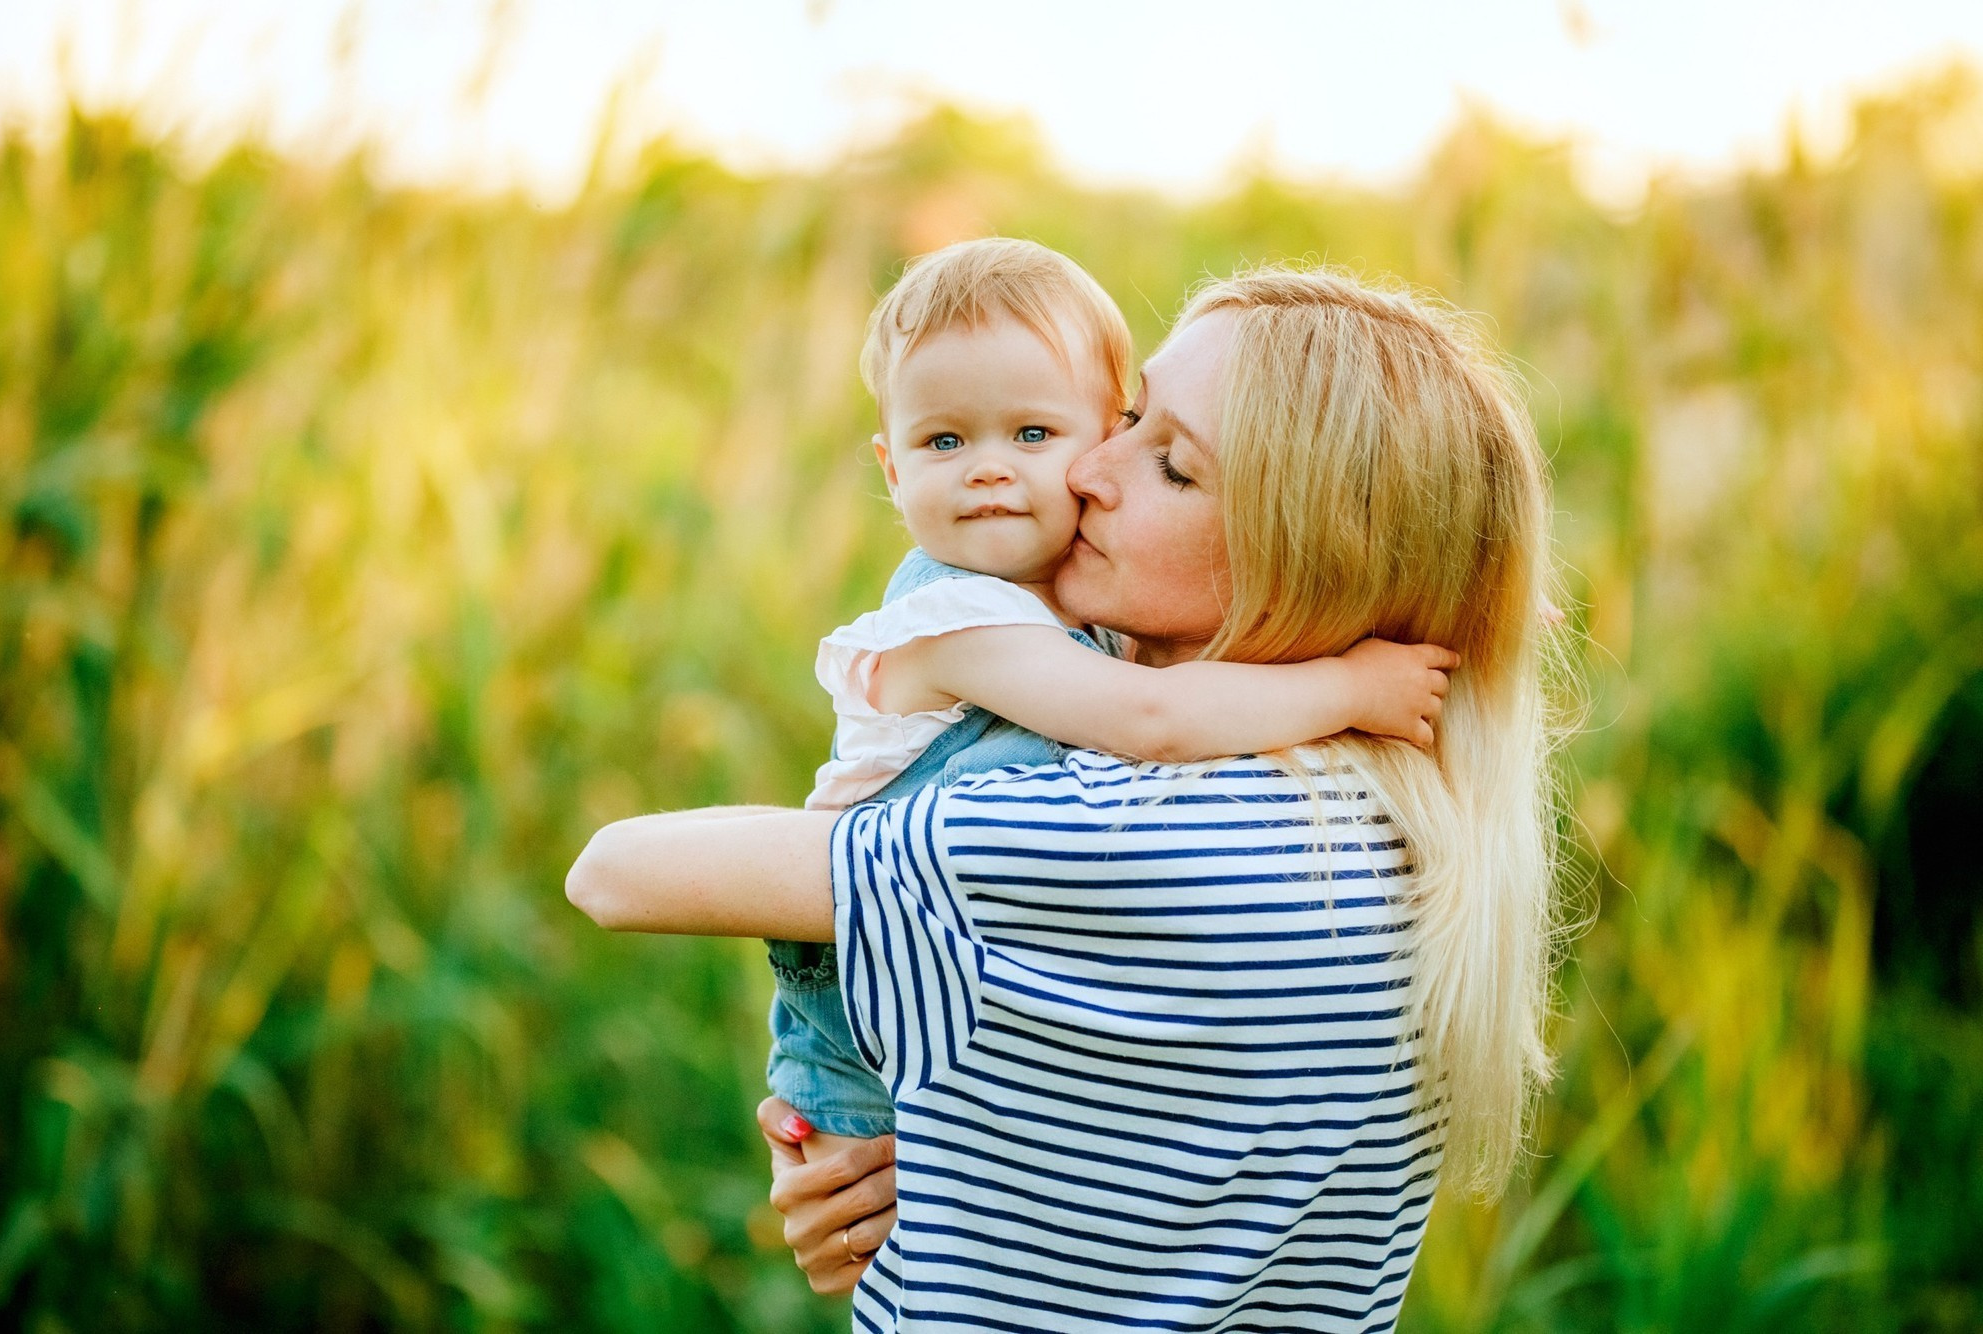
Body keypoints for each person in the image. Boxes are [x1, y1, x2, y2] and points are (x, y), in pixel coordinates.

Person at [568, 266, 1565, 1332]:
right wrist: (914, 1165)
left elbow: (612, 873)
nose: (1089, 468)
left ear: (1311, 559)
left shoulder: (1107, 834)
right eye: (1128, 414)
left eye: (1170, 462)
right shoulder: (1408, 838)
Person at [767, 237, 1457, 1169]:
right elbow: (1152, 719)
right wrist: (1350, 685)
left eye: (1035, 436)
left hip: (948, 979)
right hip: (864, 1015)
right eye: (944, 441)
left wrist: (1460, 595)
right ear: (892, 471)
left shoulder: (1070, 594)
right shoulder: (959, 618)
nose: (988, 469)